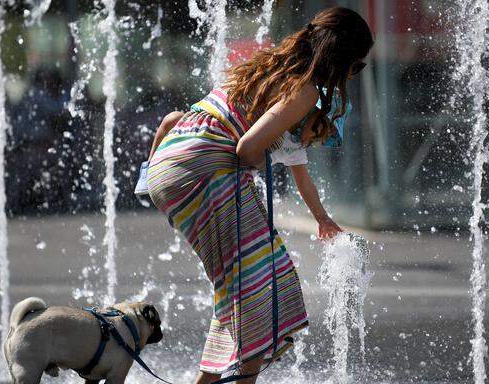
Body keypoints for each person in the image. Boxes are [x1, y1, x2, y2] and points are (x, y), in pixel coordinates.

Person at [147, 7, 374, 384]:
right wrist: (256, 166)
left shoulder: (267, 69)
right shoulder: (305, 91)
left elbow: (180, 120)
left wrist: (320, 217)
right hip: (204, 171)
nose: (353, 75)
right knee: (262, 285)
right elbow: (247, 149)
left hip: (173, 166)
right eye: (358, 66)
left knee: (247, 284)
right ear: (342, 58)